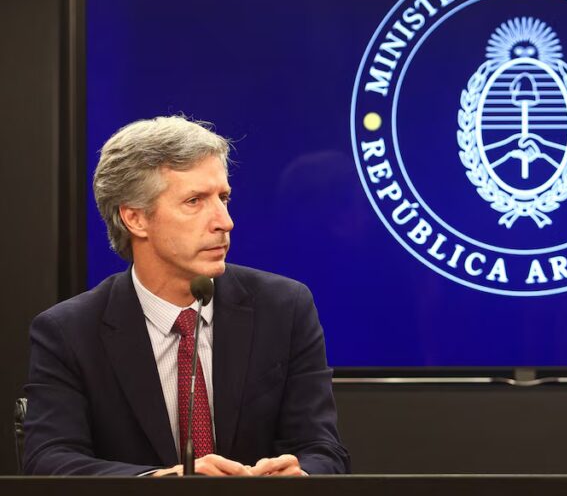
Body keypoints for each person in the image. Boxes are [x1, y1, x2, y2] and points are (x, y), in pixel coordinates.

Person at [22, 116, 350, 476]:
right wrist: (166, 482)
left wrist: (300, 475)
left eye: (223, 198)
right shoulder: (69, 332)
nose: (225, 222)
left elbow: (324, 451)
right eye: (195, 201)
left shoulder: (284, 309)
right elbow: (48, 460)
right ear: (135, 219)